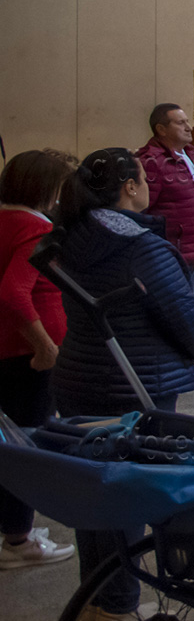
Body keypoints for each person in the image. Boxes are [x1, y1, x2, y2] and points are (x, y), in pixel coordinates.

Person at [47, 148, 194, 621]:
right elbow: (189, 325)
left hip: (79, 374)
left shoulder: (72, 235)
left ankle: (98, 601)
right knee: (127, 496)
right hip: (135, 382)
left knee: (93, 492)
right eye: (143, 178)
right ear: (129, 187)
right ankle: (118, 608)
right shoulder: (141, 247)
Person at [0, 149, 78, 569]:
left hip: (9, 350)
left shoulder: (7, 221)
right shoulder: (35, 227)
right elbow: (14, 292)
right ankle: (18, 539)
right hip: (26, 355)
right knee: (25, 445)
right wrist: (44, 345)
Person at [137, 102, 194, 277]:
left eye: (187, 121)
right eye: (181, 123)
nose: (189, 128)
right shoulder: (152, 162)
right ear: (161, 129)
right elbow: (142, 208)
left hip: (189, 247)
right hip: (171, 251)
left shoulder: (186, 155)